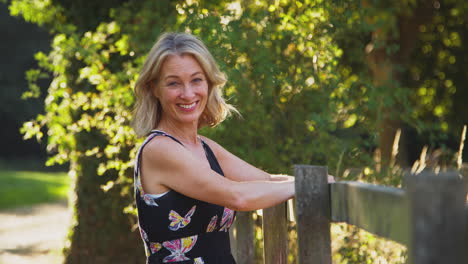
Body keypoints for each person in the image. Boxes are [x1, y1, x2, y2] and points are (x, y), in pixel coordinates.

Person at [132, 32, 296, 264]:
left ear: (209, 83)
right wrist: (304, 185)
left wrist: (316, 182)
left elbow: (267, 181)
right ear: (154, 89)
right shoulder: (159, 150)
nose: (188, 93)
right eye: (173, 83)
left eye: (196, 80)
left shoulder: (205, 147)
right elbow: (237, 196)